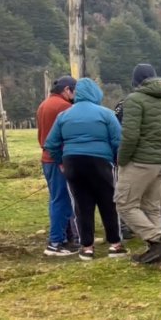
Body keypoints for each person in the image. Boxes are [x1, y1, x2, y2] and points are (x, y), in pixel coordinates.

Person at [43, 78, 127, 261]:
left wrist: (61, 161)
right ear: (96, 94)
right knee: (109, 203)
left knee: (81, 206)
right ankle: (115, 245)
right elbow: (118, 141)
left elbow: (51, 143)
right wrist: (114, 160)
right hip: (100, 162)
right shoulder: (105, 114)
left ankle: (87, 248)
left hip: (73, 162)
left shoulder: (64, 115)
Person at [115, 63, 161, 264]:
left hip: (140, 161)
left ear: (136, 81)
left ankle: (159, 240)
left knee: (124, 204)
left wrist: (122, 159)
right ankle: (155, 255)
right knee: (152, 207)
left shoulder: (134, 100)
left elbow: (130, 135)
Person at [37, 75, 77, 256]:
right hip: (58, 160)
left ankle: (65, 237)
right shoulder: (65, 107)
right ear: (67, 90)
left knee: (57, 199)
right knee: (62, 200)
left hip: (47, 158)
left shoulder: (44, 104)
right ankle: (55, 243)